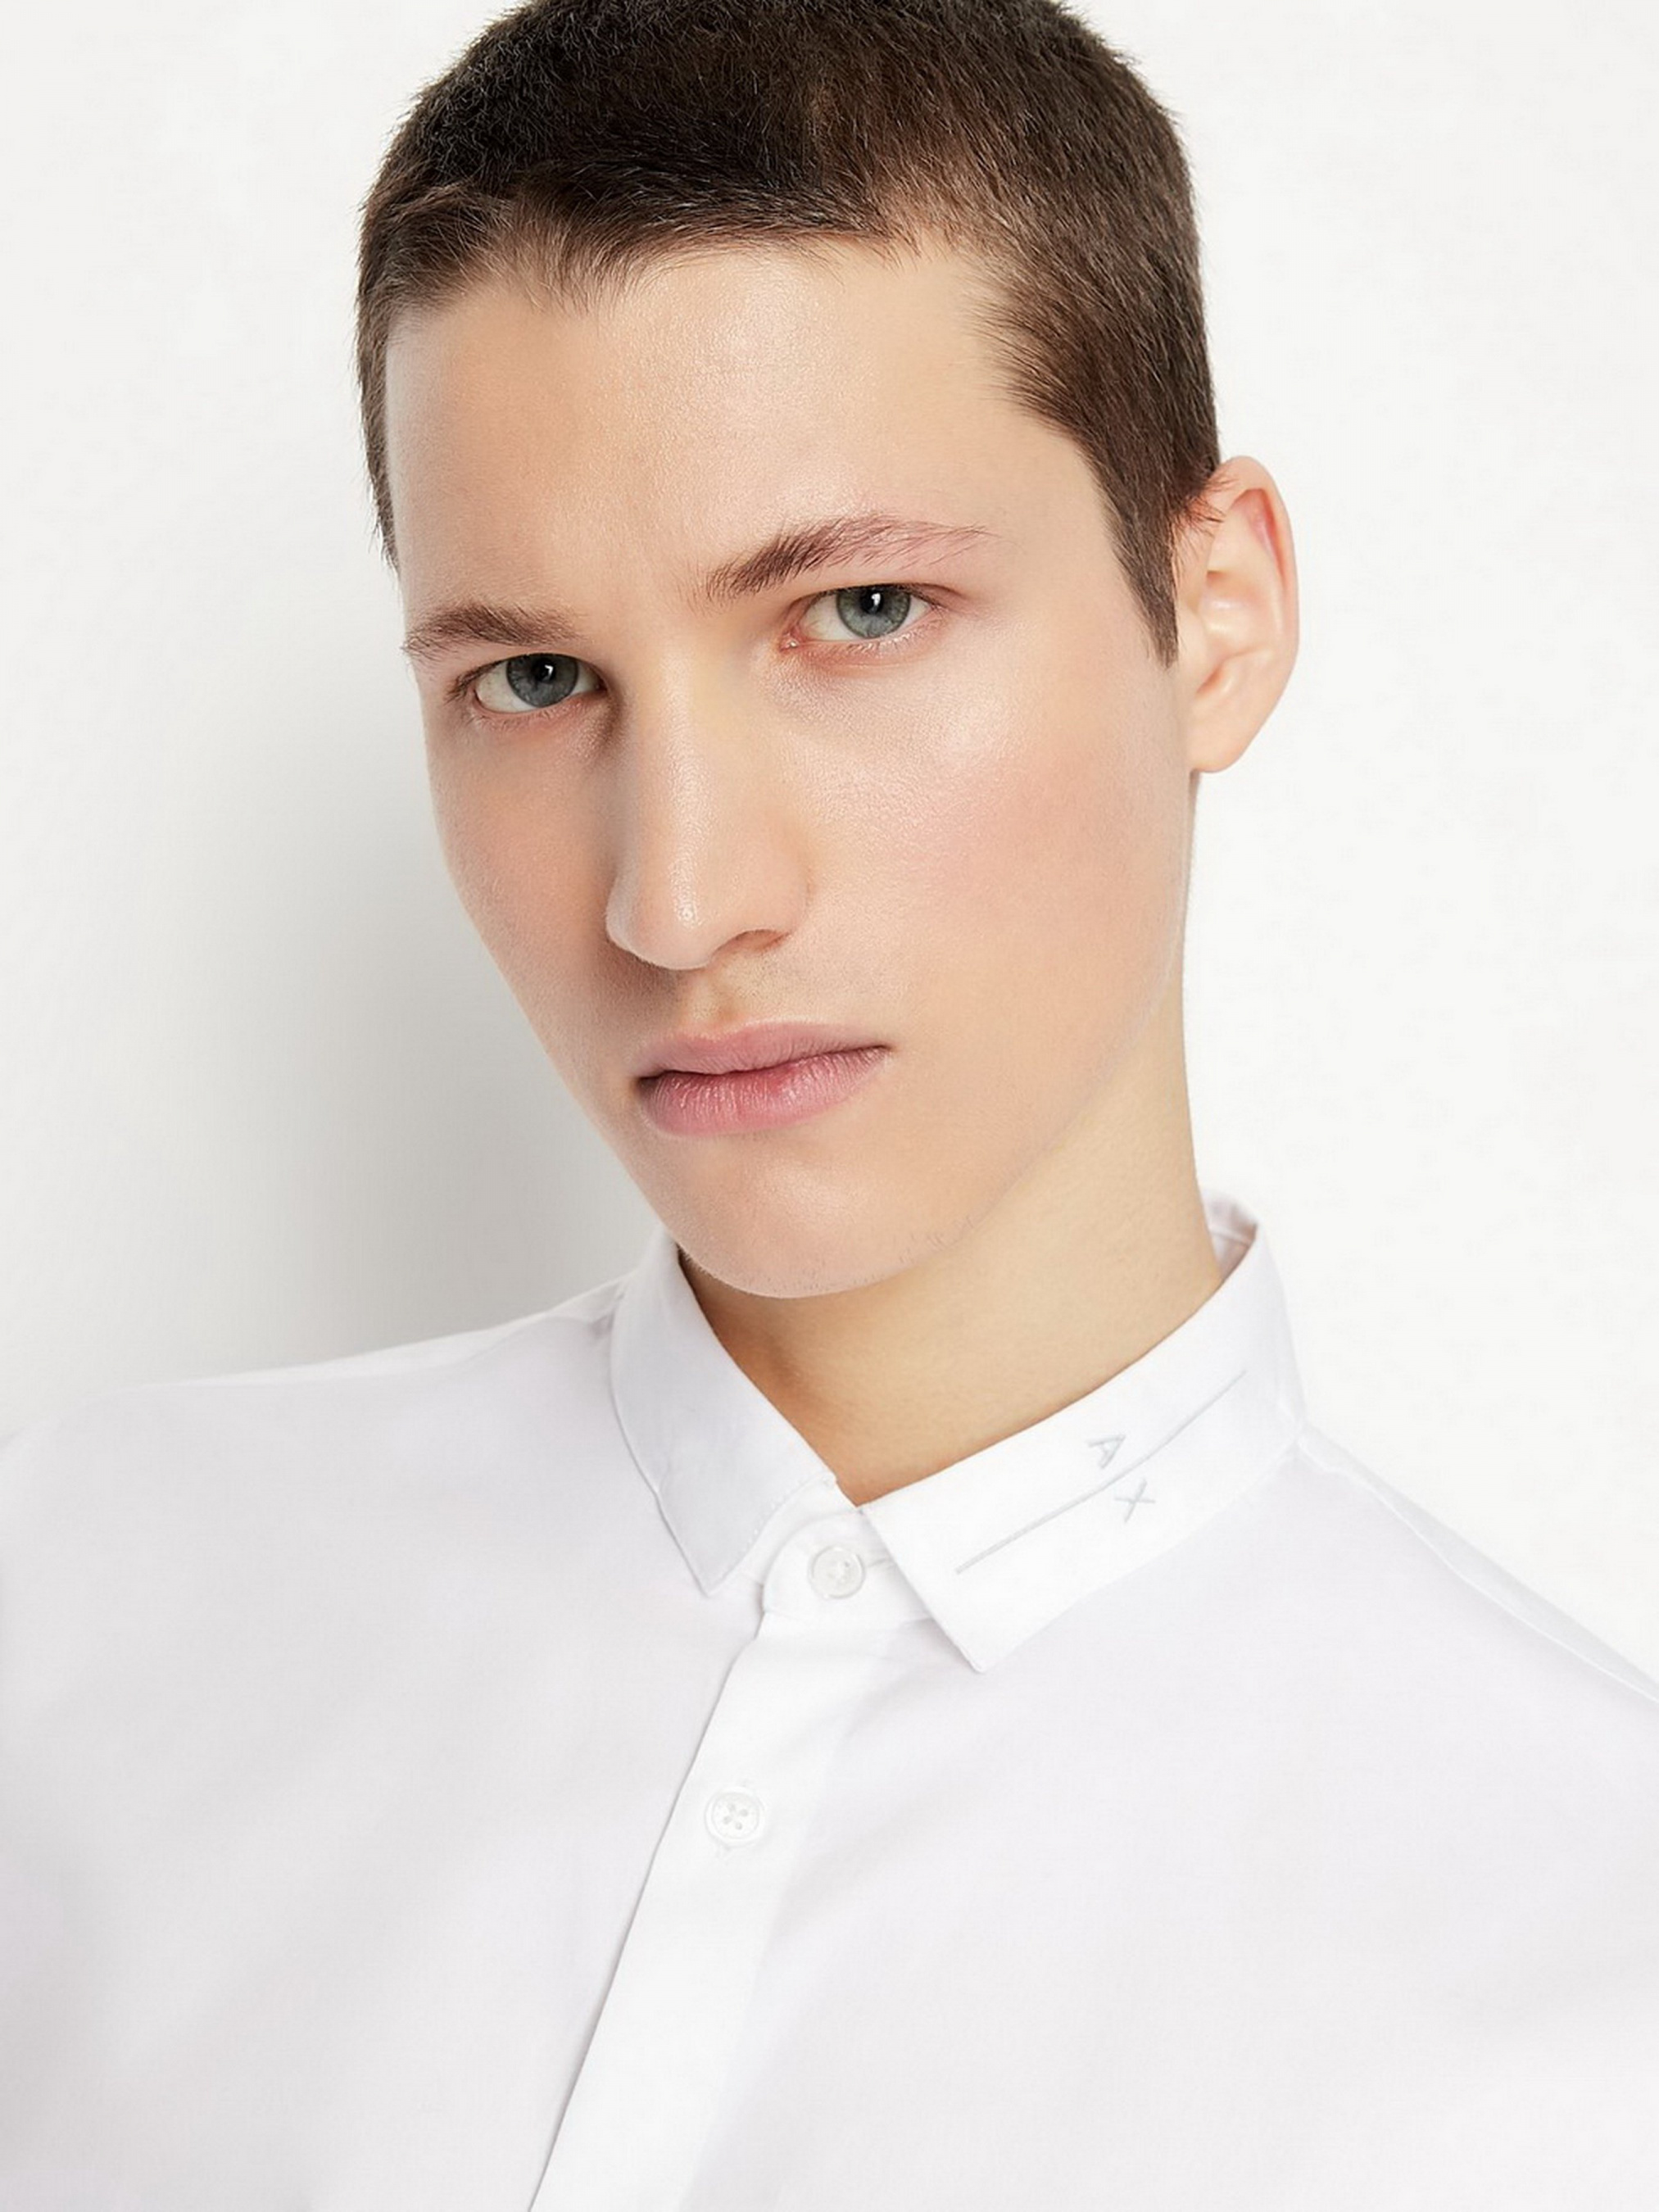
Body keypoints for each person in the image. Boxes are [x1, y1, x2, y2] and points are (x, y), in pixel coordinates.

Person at [2, 0, 1656, 2203]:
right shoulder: (74, 1616)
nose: (676, 896)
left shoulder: (1595, 1960)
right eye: (532, 677)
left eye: (860, 611)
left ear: (1215, 611)